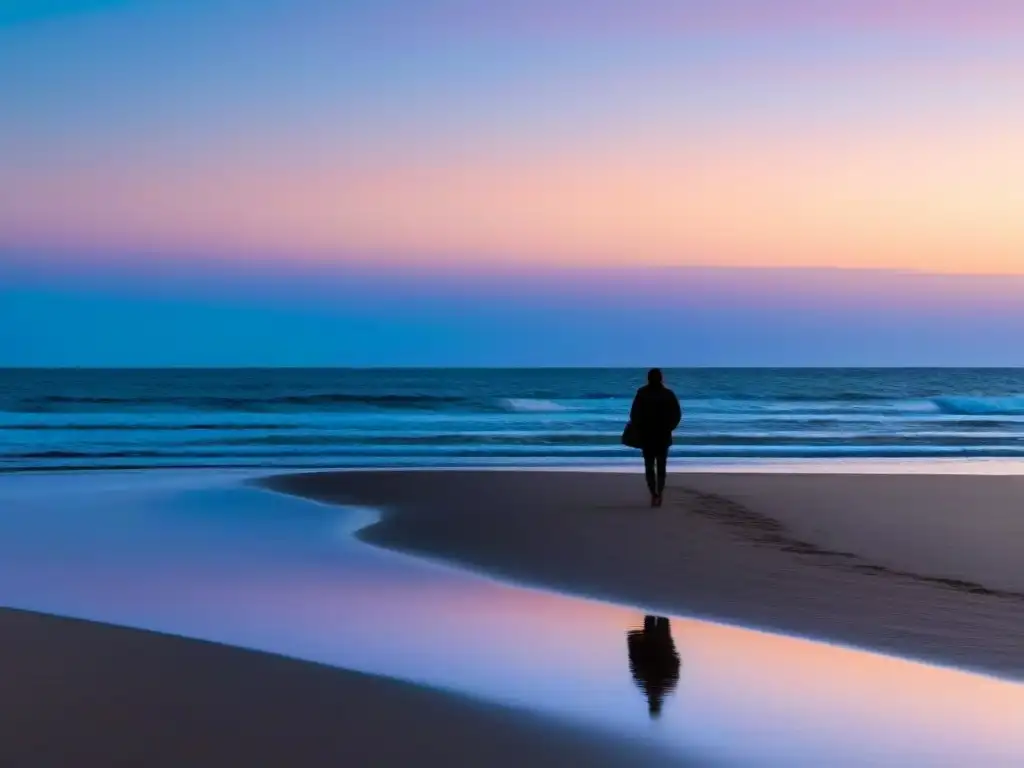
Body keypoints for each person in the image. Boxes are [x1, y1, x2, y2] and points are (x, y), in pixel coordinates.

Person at [629, 368, 681, 507]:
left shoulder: (642, 393)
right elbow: (677, 415)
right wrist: (669, 427)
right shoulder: (668, 394)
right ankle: (659, 493)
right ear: (661, 378)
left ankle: (654, 494)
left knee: (650, 466)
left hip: (647, 435)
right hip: (663, 435)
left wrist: (639, 428)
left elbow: (634, 415)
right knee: (661, 466)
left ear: (648, 378)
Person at [626, 615, 682, 719]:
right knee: (657, 619)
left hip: (659, 647)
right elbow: (635, 664)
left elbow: (675, 668)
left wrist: (675, 656)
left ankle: (659, 602)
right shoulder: (660, 687)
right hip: (659, 648)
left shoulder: (659, 687)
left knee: (659, 619)